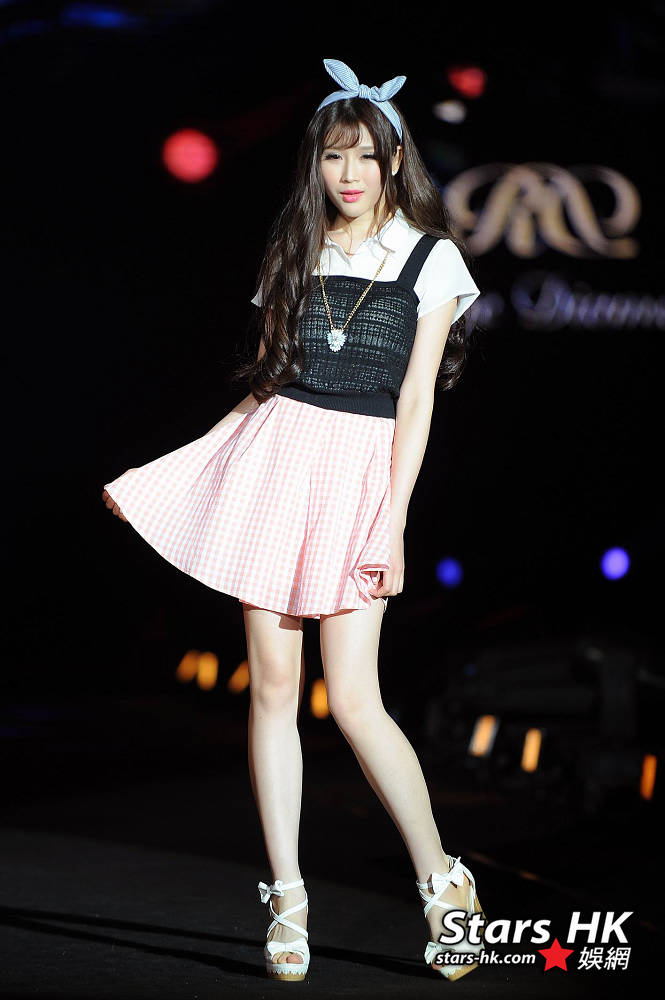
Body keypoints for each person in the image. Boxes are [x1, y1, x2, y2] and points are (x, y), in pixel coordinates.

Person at [101, 57, 485, 982]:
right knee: (273, 689)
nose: (348, 173)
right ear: (315, 163)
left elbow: (416, 405)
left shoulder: (431, 260)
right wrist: (170, 468)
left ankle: (441, 879)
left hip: (359, 478)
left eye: (365, 156)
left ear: (394, 162)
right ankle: (286, 897)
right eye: (332, 156)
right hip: (277, 465)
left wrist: (392, 523)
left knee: (353, 700)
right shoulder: (296, 249)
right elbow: (268, 385)